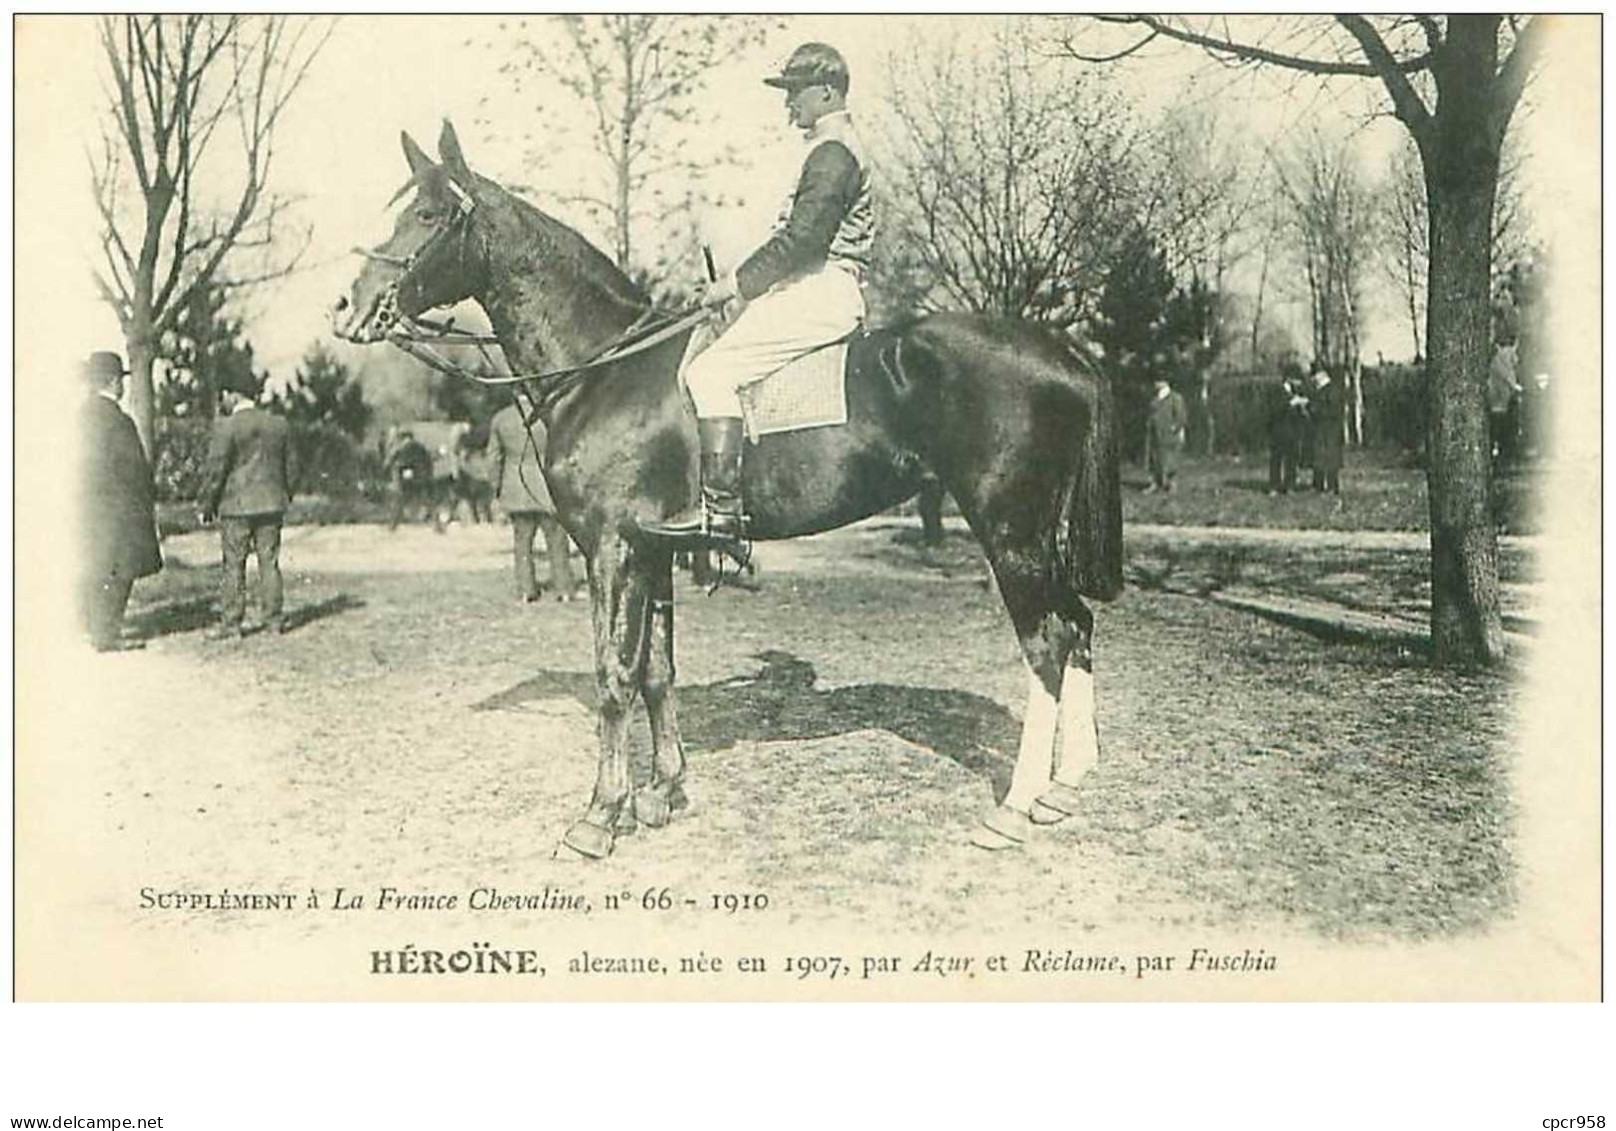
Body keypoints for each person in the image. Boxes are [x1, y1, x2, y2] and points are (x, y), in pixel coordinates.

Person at [640, 41, 874, 545]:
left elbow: (803, 240)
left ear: (827, 92)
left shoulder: (833, 152)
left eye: (796, 93)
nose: (789, 104)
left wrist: (734, 285)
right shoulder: (828, 148)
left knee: (709, 372)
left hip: (823, 289)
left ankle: (721, 512)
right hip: (810, 287)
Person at [76, 350, 162, 651]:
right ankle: (106, 634)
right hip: (116, 507)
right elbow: (134, 468)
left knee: (91, 565)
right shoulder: (118, 421)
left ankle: (88, 626)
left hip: (83, 506)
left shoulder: (78, 417)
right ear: (114, 382)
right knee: (120, 569)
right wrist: (148, 494)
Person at [201, 371, 292, 639]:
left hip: (236, 505)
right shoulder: (278, 424)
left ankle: (232, 624)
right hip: (272, 503)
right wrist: (286, 493)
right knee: (269, 562)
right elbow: (291, 466)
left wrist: (207, 503)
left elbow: (216, 469)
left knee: (233, 564)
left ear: (232, 394)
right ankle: (273, 621)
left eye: (224, 395)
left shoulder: (227, 426)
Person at [488, 402, 577, 602]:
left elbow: (493, 458)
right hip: (548, 484)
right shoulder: (551, 414)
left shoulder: (502, 418)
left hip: (515, 484)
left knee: (522, 542)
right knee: (556, 539)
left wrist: (496, 488)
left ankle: (526, 590)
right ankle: (563, 588)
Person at [1267, 370, 1310, 495]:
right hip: (1278, 431)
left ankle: (1289, 485)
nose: (1299, 383)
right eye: (1297, 380)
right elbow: (1273, 409)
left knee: (1291, 459)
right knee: (1276, 459)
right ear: (1289, 378)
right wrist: (1290, 403)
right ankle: (1273, 486)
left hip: (1292, 431)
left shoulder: (1295, 392)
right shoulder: (1275, 390)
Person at [1142, 376, 1187, 493]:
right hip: (1155, 434)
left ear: (1165, 382)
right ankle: (1155, 483)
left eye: (1158, 381)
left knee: (1170, 459)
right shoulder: (1154, 398)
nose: (1155, 383)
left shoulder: (1175, 398)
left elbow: (1181, 416)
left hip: (1169, 434)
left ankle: (1171, 483)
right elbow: (1151, 414)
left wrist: (1175, 428)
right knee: (1154, 458)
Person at [385, 429, 436, 530]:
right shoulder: (420, 447)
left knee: (402, 500)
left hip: (406, 478)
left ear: (404, 438)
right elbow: (429, 461)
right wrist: (428, 475)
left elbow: (391, 461)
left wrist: (387, 470)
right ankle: (436, 522)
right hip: (420, 477)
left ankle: (393, 525)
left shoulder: (400, 448)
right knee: (425, 500)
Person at [1307, 363, 1344, 494]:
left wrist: (1314, 409)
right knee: (1319, 457)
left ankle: (1332, 486)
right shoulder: (1320, 390)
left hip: (1330, 430)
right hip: (1321, 429)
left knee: (1330, 458)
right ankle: (1318, 485)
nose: (1313, 379)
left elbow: (1333, 411)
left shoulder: (1332, 390)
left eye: (1315, 376)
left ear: (1322, 375)